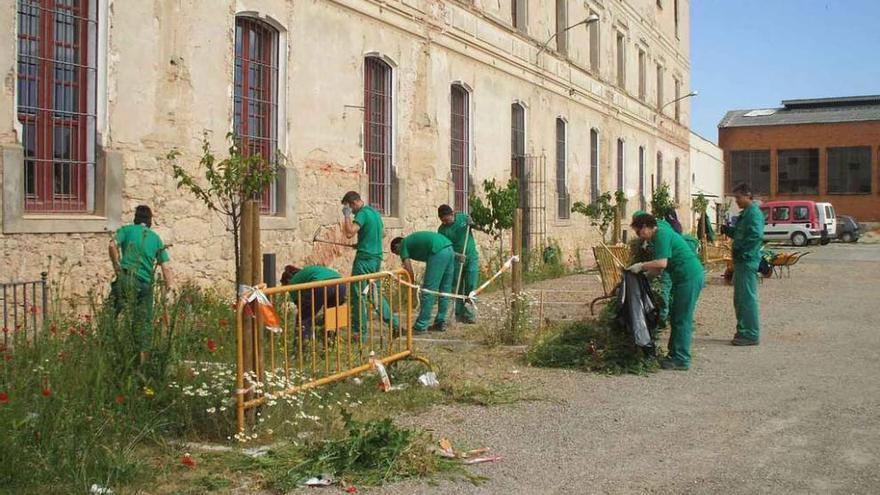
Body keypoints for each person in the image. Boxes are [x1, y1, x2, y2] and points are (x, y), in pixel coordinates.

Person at [628, 213, 704, 370]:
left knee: (682, 318)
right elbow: (658, 268)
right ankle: (674, 354)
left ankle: (681, 359)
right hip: (683, 277)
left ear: (645, 227)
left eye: (639, 232)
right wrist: (644, 279)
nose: (639, 236)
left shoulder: (661, 235)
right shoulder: (657, 235)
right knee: (676, 315)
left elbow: (662, 263)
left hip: (689, 276)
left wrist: (641, 266)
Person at [108, 205, 173, 364]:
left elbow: (112, 245)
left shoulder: (127, 230)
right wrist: (169, 288)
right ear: (150, 221)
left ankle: (105, 356)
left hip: (126, 278)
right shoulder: (155, 238)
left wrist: (116, 265)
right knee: (143, 326)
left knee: (110, 317)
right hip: (144, 284)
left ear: (135, 218)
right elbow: (166, 267)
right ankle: (142, 365)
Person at [340, 191, 398, 337]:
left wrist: (346, 215)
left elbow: (349, 232)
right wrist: (363, 242)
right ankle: (394, 324)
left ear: (352, 203)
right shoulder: (375, 213)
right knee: (375, 293)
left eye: (350, 208)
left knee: (358, 294)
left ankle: (359, 332)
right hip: (376, 259)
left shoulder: (362, 214)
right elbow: (382, 234)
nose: (352, 212)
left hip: (364, 260)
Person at [390, 232, 455, 333]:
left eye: (397, 253)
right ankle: (440, 322)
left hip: (437, 252)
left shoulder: (403, 245)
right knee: (444, 290)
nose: (400, 255)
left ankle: (421, 326)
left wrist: (411, 286)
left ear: (397, 245)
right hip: (449, 249)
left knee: (428, 291)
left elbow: (409, 270)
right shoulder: (412, 240)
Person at [729, 183, 764, 346]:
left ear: (748, 195)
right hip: (742, 261)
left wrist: (743, 252)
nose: (736, 201)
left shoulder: (753, 213)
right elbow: (742, 233)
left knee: (747, 299)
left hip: (747, 260)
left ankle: (750, 333)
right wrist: (728, 231)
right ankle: (743, 330)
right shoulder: (746, 214)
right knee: (740, 299)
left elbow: (755, 235)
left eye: (738, 197)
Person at [437, 204, 479, 324]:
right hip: (455, 260)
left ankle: (469, 311)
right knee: (457, 286)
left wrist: (472, 223)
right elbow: (445, 248)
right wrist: (457, 255)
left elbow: (477, 226)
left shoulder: (463, 218)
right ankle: (460, 314)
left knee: (471, 284)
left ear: (452, 214)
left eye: (446, 219)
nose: (445, 222)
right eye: (442, 220)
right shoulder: (442, 230)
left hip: (471, 257)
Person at [280, 265, 346, 338]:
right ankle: (333, 344)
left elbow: (300, 304)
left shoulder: (293, 282)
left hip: (321, 285)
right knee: (333, 318)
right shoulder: (306, 272)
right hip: (341, 284)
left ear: (287, 281)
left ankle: (303, 347)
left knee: (303, 319)